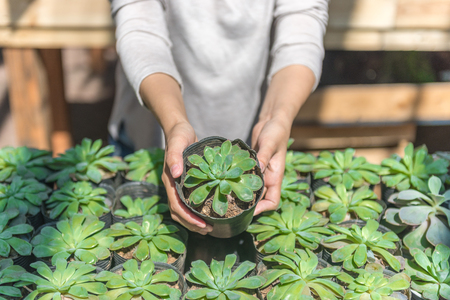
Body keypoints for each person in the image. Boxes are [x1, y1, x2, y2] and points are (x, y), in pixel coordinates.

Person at [108, 0, 329, 235]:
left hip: (250, 129)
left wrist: (276, 117)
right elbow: (140, 28)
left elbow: (302, 21)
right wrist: (174, 124)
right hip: (151, 133)